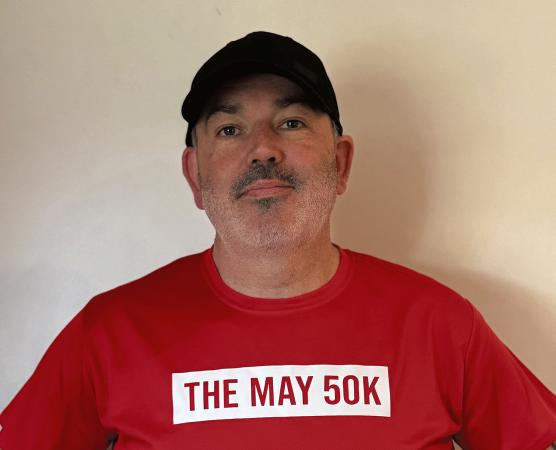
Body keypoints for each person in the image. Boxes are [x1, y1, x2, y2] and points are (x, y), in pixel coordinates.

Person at [1, 31, 555, 450]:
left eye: (291, 122)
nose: (263, 149)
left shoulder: (442, 325)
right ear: (195, 177)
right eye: (229, 129)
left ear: (341, 164)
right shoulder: (108, 333)